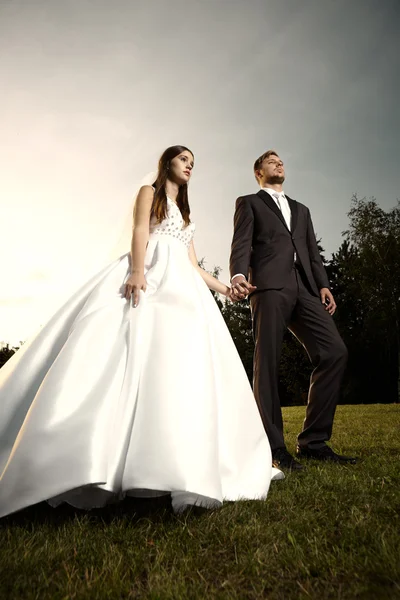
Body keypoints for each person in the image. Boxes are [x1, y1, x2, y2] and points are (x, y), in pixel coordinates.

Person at [0, 145, 283, 518]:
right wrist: (137, 271)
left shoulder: (185, 211)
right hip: (149, 273)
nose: (189, 167)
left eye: (193, 164)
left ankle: (175, 466)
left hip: (184, 288)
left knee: (180, 365)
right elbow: (139, 229)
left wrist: (225, 288)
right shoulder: (149, 192)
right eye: (184, 160)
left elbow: (193, 265)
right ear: (168, 162)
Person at [229, 150, 356, 471]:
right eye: (271, 161)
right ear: (258, 172)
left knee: (334, 352)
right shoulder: (250, 202)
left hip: (306, 288)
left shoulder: (302, 210)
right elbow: (241, 242)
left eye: (281, 160)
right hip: (269, 286)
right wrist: (239, 274)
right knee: (267, 363)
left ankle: (313, 442)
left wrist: (324, 285)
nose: (279, 163)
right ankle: (273, 448)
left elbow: (312, 251)